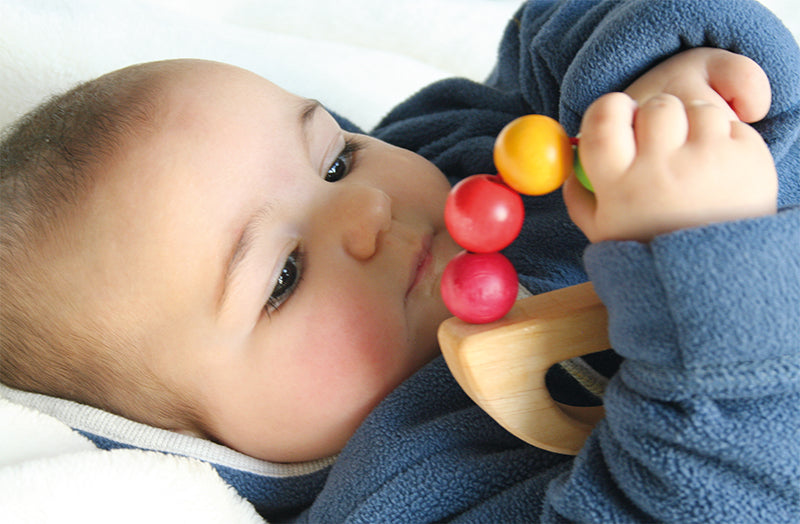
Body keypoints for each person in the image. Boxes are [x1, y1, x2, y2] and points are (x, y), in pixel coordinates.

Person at [1, 0, 798, 521]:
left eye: (335, 159)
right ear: (208, 452)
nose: (367, 211)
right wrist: (704, 276)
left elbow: (551, 36)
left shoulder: (456, 162)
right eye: (283, 277)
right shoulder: (403, 493)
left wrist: (646, 76)